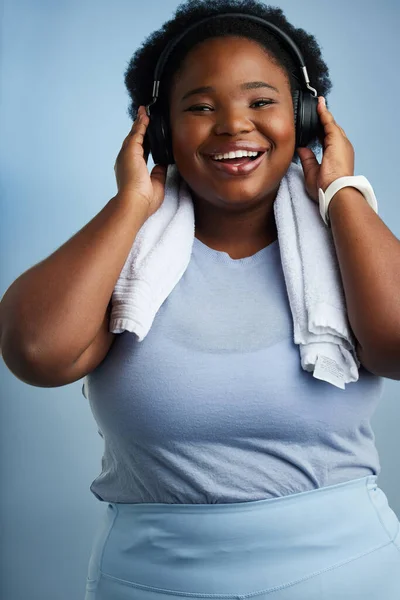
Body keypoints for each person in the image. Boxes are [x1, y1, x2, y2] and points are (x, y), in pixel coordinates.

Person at [1, 1, 400, 598]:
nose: (233, 125)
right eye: (200, 107)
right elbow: (36, 352)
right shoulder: (132, 255)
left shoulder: (346, 243)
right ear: (158, 128)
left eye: (262, 101)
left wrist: (342, 191)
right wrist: (131, 203)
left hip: (345, 574)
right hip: (147, 579)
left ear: (307, 119)